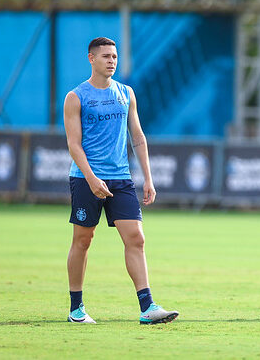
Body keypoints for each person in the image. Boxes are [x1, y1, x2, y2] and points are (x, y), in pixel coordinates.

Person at [63, 37, 178, 325]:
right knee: (83, 240)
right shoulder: (76, 97)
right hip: (86, 179)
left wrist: (148, 179)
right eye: (105, 56)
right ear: (91, 59)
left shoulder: (126, 93)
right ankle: (76, 309)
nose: (111, 61)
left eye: (114, 56)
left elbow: (137, 137)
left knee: (136, 238)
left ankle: (148, 307)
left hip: (121, 178)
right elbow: (74, 144)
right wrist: (91, 178)